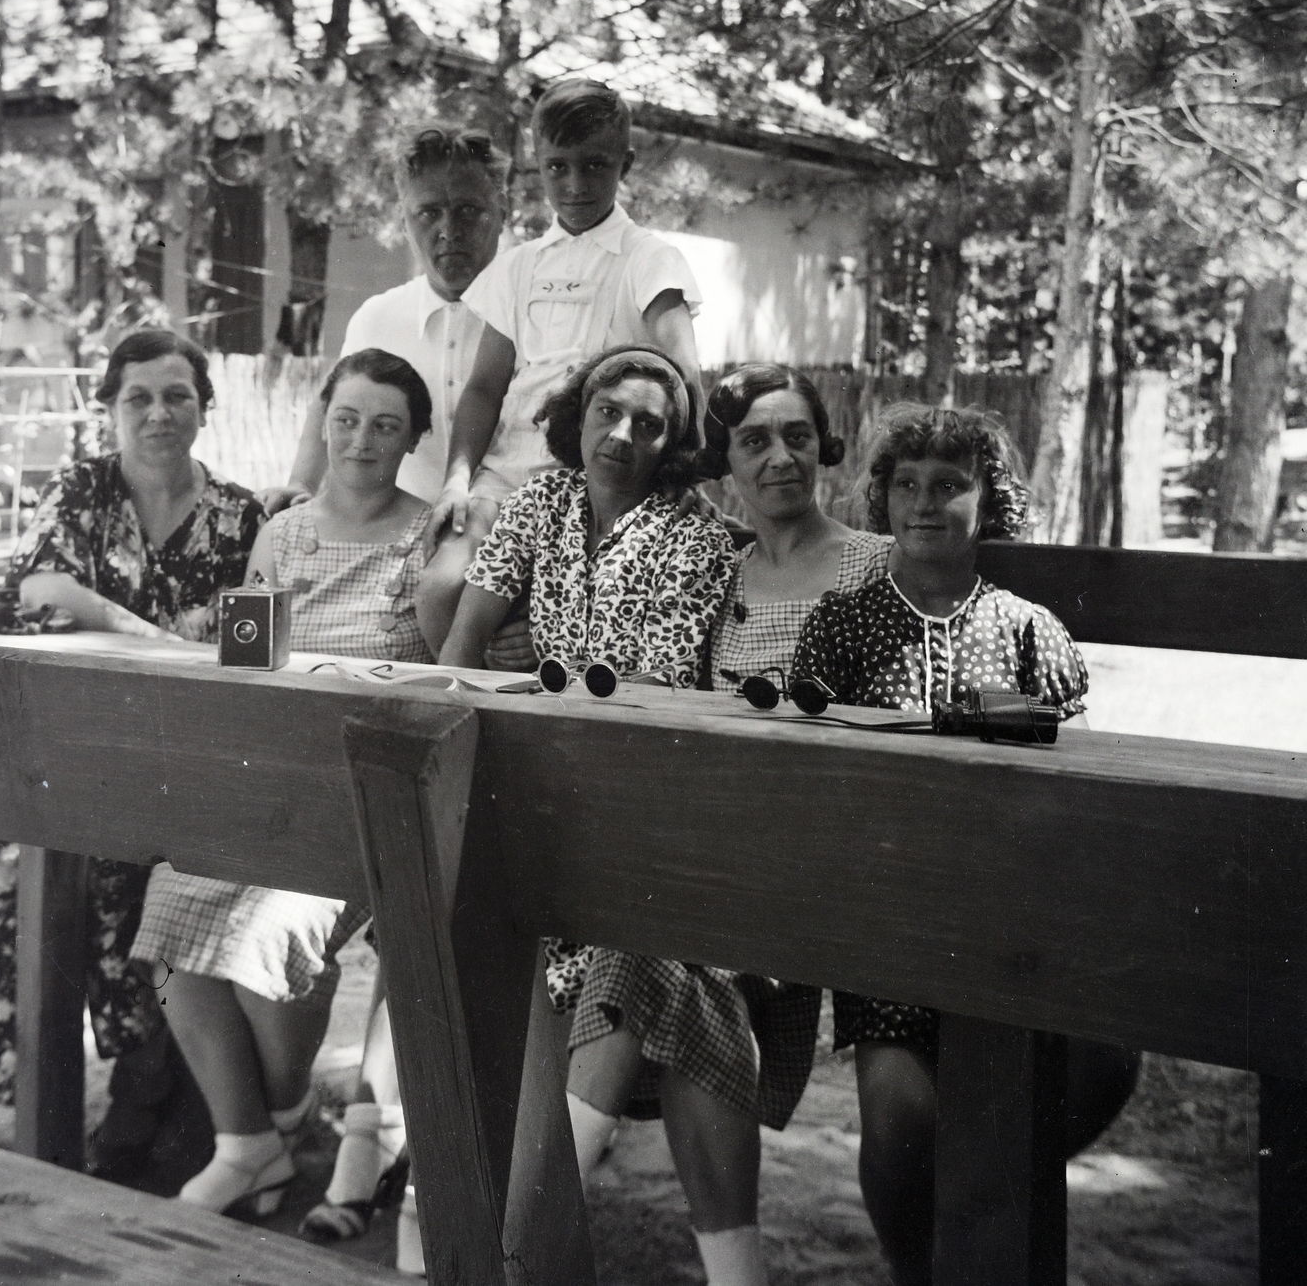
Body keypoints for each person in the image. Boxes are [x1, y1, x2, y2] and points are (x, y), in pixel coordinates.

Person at [540, 364, 892, 1286]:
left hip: (817, 857)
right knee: (669, 966)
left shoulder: (870, 566)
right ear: (725, 461)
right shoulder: (717, 565)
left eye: (798, 437)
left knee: (646, 948)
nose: (780, 458)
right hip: (709, 852)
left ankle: (527, 1232)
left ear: (826, 446)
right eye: (754, 441)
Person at [790, 403, 1141, 1286]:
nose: (924, 504)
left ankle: (987, 1215)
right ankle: (922, 1269)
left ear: (990, 500)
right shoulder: (842, 621)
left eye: (949, 486)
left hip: (1015, 915)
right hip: (892, 917)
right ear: (881, 499)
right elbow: (809, 775)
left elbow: (1076, 786)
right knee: (902, 1123)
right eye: (905, 486)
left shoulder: (1028, 627)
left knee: (1102, 1064)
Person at [440, 348, 753, 1284]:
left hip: (637, 809)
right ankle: (467, 1215)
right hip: (527, 792)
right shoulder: (540, 503)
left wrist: (534, 689)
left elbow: (643, 698)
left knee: (634, 954)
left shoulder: (695, 537)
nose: (622, 434)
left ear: (673, 443)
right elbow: (465, 640)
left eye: (649, 423)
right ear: (578, 414)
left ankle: (520, 1230)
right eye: (608, 412)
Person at [0, 329, 262, 1177]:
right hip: (64, 744)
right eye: (138, 398)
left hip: (171, 762)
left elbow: (254, 647)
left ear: (203, 408)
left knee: (147, 877)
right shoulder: (83, 488)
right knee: (2, 855)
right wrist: (145, 631)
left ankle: (138, 1091)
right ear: (110, 409)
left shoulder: (241, 516)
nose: (157, 414)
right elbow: (41, 587)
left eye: (176, 396)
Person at [129, 348, 434, 1228]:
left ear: (413, 438)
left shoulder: (434, 535)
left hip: (370, 796)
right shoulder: (282, 535)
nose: (361, 440)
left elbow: (446, 674)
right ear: (323, 423)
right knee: (173, 916)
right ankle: (246, 1144)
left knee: (271, 936)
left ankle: (289, 1109)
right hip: (274, 783)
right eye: (345, 419)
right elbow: (246, 668)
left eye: (385, 425)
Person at [417, 79, 705, 653]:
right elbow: (482, 390)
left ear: (625, 162)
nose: (575, 186)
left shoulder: (648, 259)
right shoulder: (519, 266)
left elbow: (684, 378)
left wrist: (682, 474)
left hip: (598, 480)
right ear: (537, 164)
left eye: (595, 166)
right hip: (509, 476)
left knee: (556, 625)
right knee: (442, 590)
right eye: (557, 167)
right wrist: (456, 478)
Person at [262, 125, 507, 514]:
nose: (448, 231)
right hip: (396, 543)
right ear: (404, 219)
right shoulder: (378, 318)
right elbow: (329, 407)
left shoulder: (532, 311)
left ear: (502, 211)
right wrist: (299, 484)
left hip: (511, 543)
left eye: (468, 211)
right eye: (429, 212)